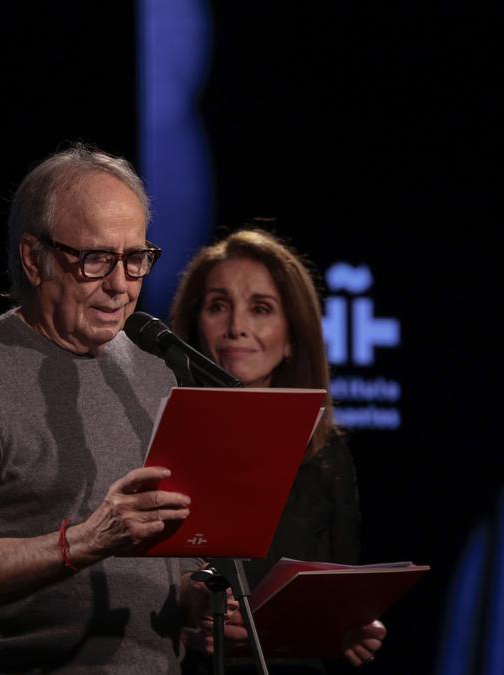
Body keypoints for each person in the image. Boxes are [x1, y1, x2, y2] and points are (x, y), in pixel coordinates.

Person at [0, 144, 199, 672]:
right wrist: (90, 539)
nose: (121, 284)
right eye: (96, 259)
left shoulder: (156, 372)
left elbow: (167, 561)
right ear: (33, 259)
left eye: (135, 259)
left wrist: (199, 601)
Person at [168, 228, 387, 673]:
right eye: (217, 307)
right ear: (193, 328)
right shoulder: (156, 437)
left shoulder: (328, 453)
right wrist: (183, 623)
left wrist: (349, 629)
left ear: (291, 338)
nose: (236, 328)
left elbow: (336, 594)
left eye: (261, 308)